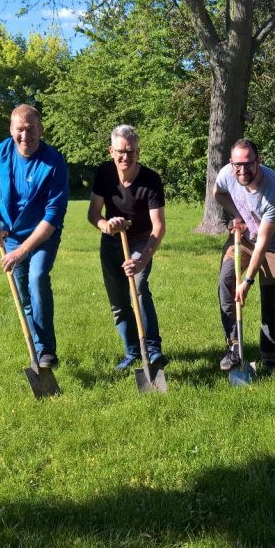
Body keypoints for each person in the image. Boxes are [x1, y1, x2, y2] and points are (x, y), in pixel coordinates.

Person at [0, 104, 69, 368]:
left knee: (37, 278)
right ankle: (38, 353)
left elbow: (53, 216)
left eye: (30, 130)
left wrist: (21, 252)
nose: (25, 136)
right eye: (19, 130)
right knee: (23, 297)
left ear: (40, 129)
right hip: (12, 237)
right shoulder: (0, 154)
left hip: (42, 236)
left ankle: (47, 350)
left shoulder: (53, 163)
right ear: (11, 129)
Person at [88, 125, 168, 370]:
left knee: (140, 288)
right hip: (112, 241)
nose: (126, 157)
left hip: (142, 241)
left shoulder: (151, 180)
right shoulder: (104, 173)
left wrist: (142, 260)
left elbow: (159, 226)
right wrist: (107, 225)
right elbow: (93, 214)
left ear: (138, 153)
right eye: (121, 151)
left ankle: (152, 350)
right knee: (119, 300)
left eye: (131, 152)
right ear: (111, 151)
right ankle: (132, 352)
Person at [213, 138, 275, 373]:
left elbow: (264, 243)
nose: (242, 170)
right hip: (244, 240)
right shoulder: (228, 173)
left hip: (272, 246)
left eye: (248, 164)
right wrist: (236, 215)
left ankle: (269, 357)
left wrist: (247, 281)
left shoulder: (274, 191)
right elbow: (218, 193)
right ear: (231, 163)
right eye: (238, 164)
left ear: (259, 161)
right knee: (226, 282)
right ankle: (234, 348)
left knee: (269, 299)